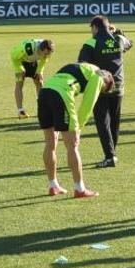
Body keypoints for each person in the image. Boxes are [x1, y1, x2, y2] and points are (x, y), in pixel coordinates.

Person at [37, 63, 115, 198]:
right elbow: (88, 104)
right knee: (72, 145)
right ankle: (80, 189)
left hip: (44, 93)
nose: (100, 91)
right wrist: (78, 127)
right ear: (107, 81)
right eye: (103, 90)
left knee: (50, 144)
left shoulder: (85, 67)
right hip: (61, 95)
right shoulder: (99, 77)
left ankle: (53, 185)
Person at [78, 16, 132, 168]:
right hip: (118, 87)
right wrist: (118, 32)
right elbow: (130, 43)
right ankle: (112, 153)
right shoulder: (119, 39)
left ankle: (109, 157)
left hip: (100, 87)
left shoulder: (91, 43)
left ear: (95, 27)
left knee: (103, 123)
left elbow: (82, 64)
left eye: (92, 28)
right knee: (115, 122)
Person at [11, 38, 54, 118]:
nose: (46, 56)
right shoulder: (29, 48)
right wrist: (19, 69)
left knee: (39, 82)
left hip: (32, 61)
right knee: (19, 83)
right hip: (20, 61)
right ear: (40, 50)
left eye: (48, 54)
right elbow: (13, 56)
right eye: (45, 53)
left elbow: (44, 60)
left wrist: (39, 71)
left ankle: (43, 109)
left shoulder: (48, 51)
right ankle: (21, 111)